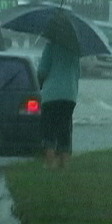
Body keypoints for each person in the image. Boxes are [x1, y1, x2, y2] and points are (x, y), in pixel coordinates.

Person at [37, 15, 81, 169]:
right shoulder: (75, 49)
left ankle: (49, 162)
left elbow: (42, 70)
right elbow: (78, 73)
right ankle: (65, 162)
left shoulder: (50, 47)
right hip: (70, 95)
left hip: (51, 95)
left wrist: (39, 82)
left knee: (49, 128)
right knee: (65, 128)